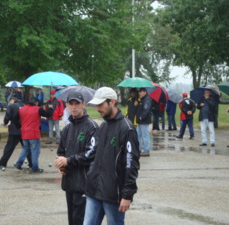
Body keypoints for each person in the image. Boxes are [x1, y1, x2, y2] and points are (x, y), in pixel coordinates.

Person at [83, 87, 140, 225]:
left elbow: (131, 164)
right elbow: (94, 156)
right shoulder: (103, 126)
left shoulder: (127, 129)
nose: (97, 108)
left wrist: (127, 195)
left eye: (101, 104)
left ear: (112, 102)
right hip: (94, 191)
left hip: (113, 195)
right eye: (96, 104)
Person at [55, 91, 98, 225]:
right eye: (71, 104)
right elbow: (61, 151)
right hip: (69, 182)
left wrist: (69, 161)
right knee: (72, 220)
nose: (74, 107)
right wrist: (62, 165)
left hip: (85, 183)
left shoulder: (92, 126)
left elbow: (91, 154)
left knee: (82, 220)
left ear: (83, 105)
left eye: (77, 104)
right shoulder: (67, 129)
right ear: (66, 105)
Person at [14, 98, 53, 173]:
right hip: (34, 132)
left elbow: (15, 119)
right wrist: (50, 108)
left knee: (25, 148)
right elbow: (48, 114)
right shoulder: (38, 109)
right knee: (35, 151)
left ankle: (19, 163)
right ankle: (35, 167)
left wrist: (20, 126)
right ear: (36, 102)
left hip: (24, 132)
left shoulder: (22, 109)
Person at [0, 97, 32, 169]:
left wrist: (5, 122)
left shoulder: (12, 106)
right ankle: (32, 163)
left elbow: (8, 116)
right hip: (24, 129)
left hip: (14, 130)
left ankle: (2, 163)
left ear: (12, 100)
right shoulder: (25, 106)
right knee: (27, 148)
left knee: (9, 147)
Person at [136, 88, 152, 157]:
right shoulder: (142, 100)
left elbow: (146, 109)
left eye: (141, 92)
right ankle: (139, 149)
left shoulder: (147, 99)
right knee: (138, 135)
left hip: (144, 121)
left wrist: (141, 117)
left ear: (145, 92)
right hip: (140, 121)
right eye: (139, 92)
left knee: (145, 136)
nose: (139, 93)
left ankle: (146, 150)